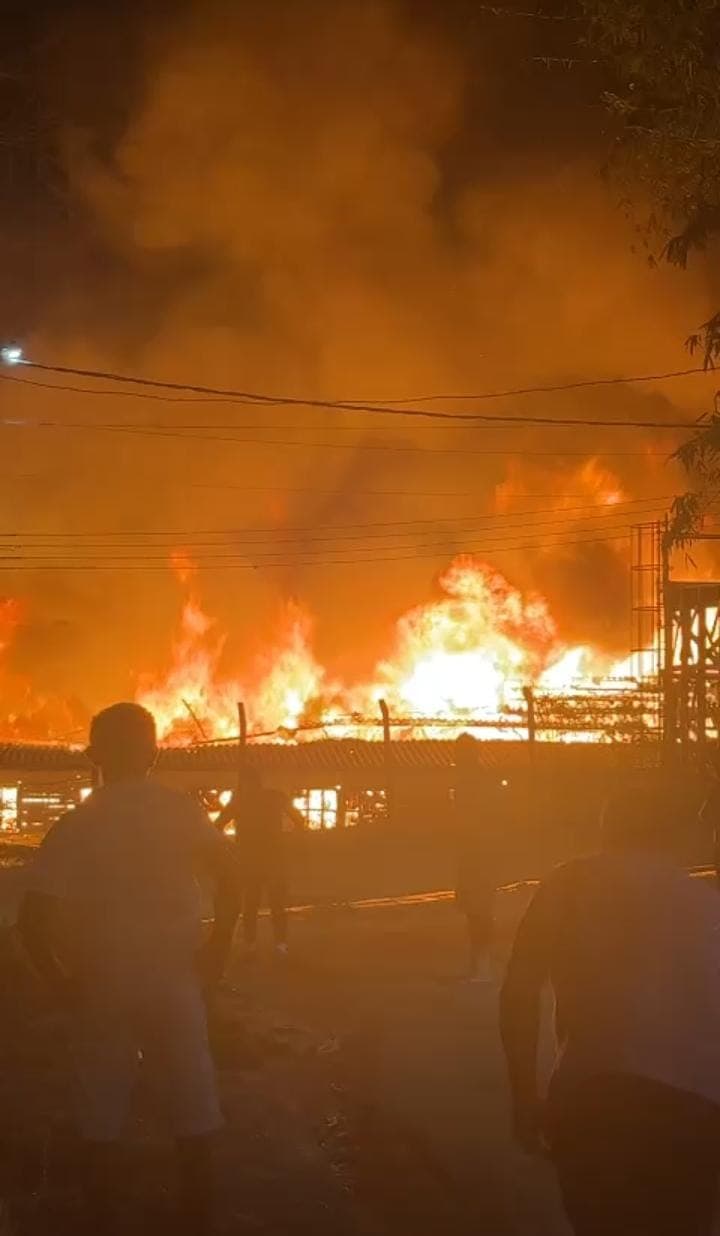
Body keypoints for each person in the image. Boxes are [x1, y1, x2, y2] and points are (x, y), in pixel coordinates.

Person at [17, 702, 240, 1235]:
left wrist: (61, 984)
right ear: (154, 754)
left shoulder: (76, 825)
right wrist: (219, 947)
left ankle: (103, 1218)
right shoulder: (181, 810)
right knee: (194, 1100)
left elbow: (31, 921)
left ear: (94, 756)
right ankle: (199, 1217)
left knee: (99, 1108)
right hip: (174, 980)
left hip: (101, 982)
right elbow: (231, 876)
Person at [500, 780, 720, 1236]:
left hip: (597, 1100)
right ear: (675, 833)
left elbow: (519, 991)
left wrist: (524, 1095)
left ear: (606, 828)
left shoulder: (567, 885)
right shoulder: (707, 903)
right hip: (697, 1111)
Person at [216, 768, 305, 956]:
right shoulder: (273, 797)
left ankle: (255, 943)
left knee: (254, 903)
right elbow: (299, 820)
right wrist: (290, 840)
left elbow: (218, 825)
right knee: (268, 903)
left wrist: (228, 847)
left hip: (255, 859)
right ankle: (275, 944)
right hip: (269, 858)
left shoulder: (240, 801)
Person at [452, 733, 507, 982]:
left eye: (459, 752)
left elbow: (485, 819)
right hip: (473, 852)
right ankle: (478, 963)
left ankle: (483, 964)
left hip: (480, 853)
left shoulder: (476, 782)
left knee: (480, 909)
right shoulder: (469, 780)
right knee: (474, 910)